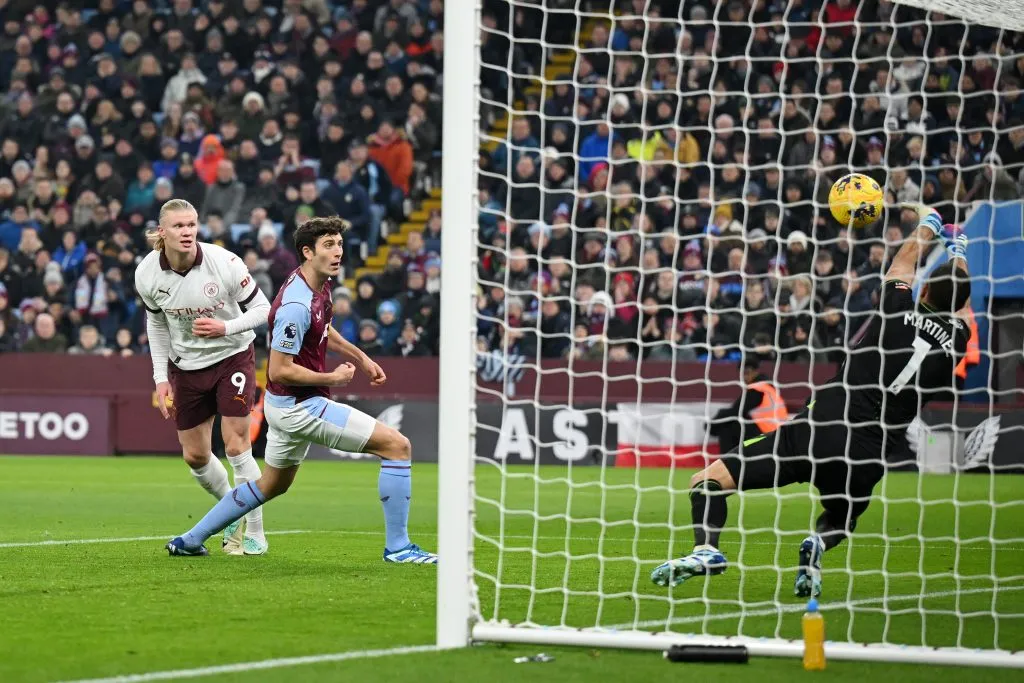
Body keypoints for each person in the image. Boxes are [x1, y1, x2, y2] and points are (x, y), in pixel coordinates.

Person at [651, 203, 972, 598]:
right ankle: (817, 546)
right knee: (841, 516)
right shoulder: (958, 340)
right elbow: (960, 297)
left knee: (707, 482)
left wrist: (931, 224)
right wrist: (959, 249)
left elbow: (903, 264)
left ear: (925, 292)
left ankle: (706, 551)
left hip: (815, 429)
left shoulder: (896, 310)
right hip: (868, 451)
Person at [166, 216, 437, 564]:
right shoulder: (296, 304)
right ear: (307, 252)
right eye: (328, 245)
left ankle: (190, 539)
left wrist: (362, 358)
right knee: (397, 446)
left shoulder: (316, 287)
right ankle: (399, 548)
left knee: (271, 485)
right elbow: (279, 369)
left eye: (339, 244)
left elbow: (324, 329)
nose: (338, 252)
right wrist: (333, 379)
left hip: (286, 407)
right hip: (299, 407)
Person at [136, 198, 271, 555]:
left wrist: (225, 327)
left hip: (232, 357)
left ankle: (255, 533)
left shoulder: (224, 262)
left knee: (237, 444)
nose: (187, 232)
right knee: (195, 456)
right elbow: (156, 323)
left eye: (192, 224)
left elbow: (263, 309)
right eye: (179, 226)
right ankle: (231, 510)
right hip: (186, 367)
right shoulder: (147, 273)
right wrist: (159, 377)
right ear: (162, 232)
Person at [708, 358, 789, 454]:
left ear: (755, 372)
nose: (745, 376)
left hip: (767, 436)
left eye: (747, 372)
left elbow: (736, 411)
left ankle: (727, 463)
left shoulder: (757, 389)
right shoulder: (767, 387)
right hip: (776, 434)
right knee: (734, 422)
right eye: (743, 373)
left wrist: (712, 424)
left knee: (729, 427)